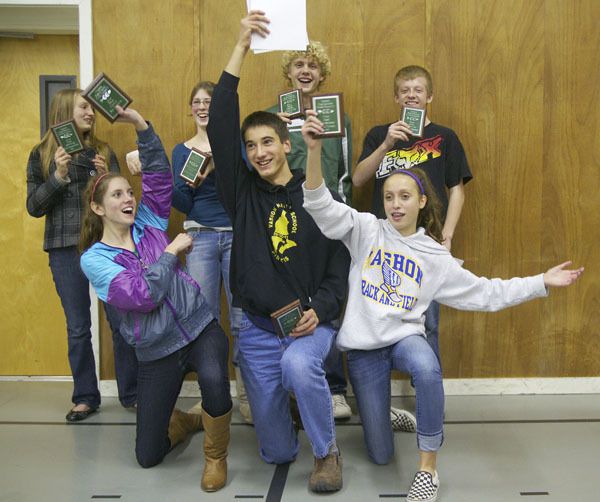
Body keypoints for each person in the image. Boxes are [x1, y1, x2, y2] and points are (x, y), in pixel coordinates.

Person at [301, 108, 583, 502]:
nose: (395, 205)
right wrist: (313, 151)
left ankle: (428, 469)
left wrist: (541, 283)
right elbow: (319, 205)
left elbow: (486, 293)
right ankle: (382, 417)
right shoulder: (365, 229)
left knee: (427, 366)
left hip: (403, 338)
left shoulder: (434, 256)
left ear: (420, 200)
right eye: (388, 198)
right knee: (380, 454)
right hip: (365, 349)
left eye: (404, 197)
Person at [206, 11, 350, 493]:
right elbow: (222, 117)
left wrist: (322, 311)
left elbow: (338, 268)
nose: (259, 152)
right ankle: (293, 414)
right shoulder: (241, 193)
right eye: (251, 146)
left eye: (268, 142)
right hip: (260, 329)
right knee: (277, 452)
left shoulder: (317, 197)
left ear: (286, 144)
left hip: (310, 324)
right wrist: (241, 44)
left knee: (298, 365)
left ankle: (328, 452)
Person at [79, 106, 232, 492]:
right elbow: (142, 296)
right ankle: (183, 422)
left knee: (215, 379)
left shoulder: (147, 221)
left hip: (198, 328)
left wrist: (141, 126)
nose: (129, 198)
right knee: (147, 456)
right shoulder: (94, 259)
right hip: (156, 350)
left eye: (130, 192)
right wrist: (169, 252)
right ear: (98, 208)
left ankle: (216, 458)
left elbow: (161, 178)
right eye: (118, 195)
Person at [353, 65, 473, 431]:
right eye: (404, 89)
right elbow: (358, 179)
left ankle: (428, 403)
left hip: (426, 247)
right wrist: (387, 144)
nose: (411, 95)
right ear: (395, 96)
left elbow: (457, 188)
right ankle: (380, 407)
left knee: (429, 325)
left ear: (429, 96)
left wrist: (448, 235)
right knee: (377, 324)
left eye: (418, 89)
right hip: (383, 248)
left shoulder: (445, 137)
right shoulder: (379, 134)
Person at [26, 88, 137, 422]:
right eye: (84, 108)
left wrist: (105, 175)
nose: (91, 113)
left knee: (121, 323)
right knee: (77, 327)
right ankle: (86, 396)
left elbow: (118, 202)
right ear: (64, 112)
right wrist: (58, 176)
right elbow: (34, 207)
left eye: (90, 108)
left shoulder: (103, 151)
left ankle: (132, 394)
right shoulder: (41, 155)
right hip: (63, 248)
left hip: (105, 247)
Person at [266, 42, 353, 420]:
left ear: (322, 75)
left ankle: (333, 387)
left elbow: (344, 171)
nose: (306, 70)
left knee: (326, 301)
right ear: (289, 72)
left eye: (313, 66)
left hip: (326, 218)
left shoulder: (337, 118)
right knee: (284, 298)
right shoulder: (272, 117)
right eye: (299, 64)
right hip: (283, 219)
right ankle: (288, 387)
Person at [171, 81, 249, 423]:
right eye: (198, 102)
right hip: (200, 238)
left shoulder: (234, 147)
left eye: (209, 102)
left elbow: (248, 192)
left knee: (242, 320)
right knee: (205, 322)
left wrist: (222, 168)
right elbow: (181, 204)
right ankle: (211, 401)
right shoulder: (181, 151)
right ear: (191, 108)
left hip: (236, 237)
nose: (203, 107)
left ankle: (247, 398)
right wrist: (190, 185)